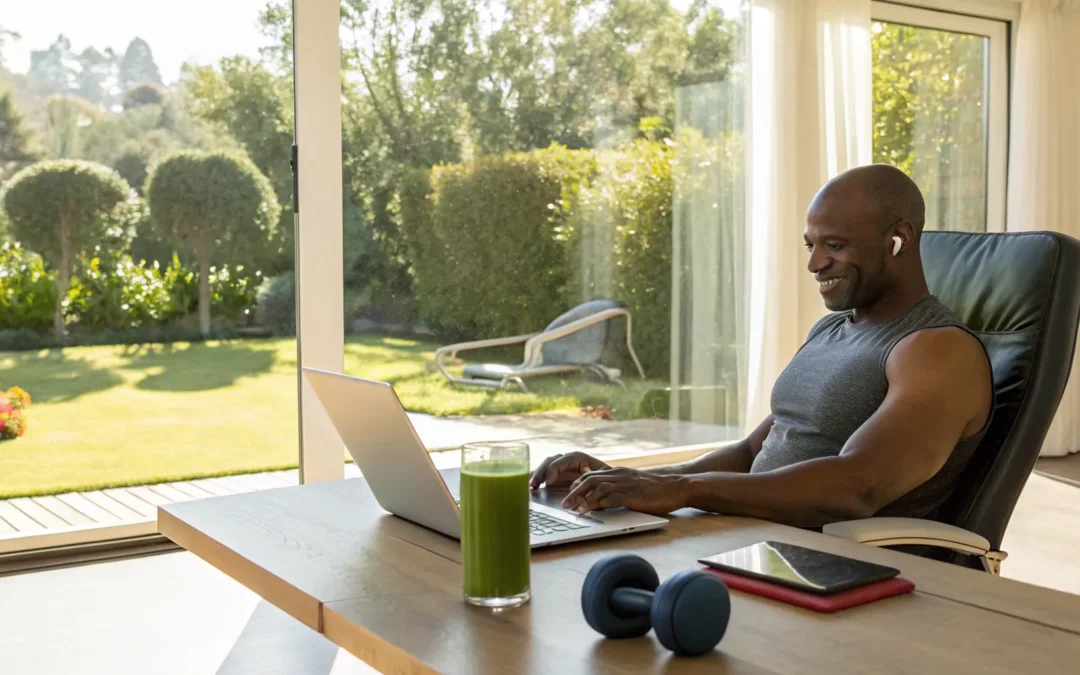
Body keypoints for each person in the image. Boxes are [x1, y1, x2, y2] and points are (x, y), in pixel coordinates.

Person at [530, 164, 993, 528]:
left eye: (834, 244)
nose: (814, 263)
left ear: (900, 238)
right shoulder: (830, 331)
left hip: (834, 567)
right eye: (810, 244)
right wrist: (626, 481)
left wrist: (686, 491)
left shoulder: (937, 351)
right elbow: (752, 453)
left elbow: (858, 486)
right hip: (751, 537)